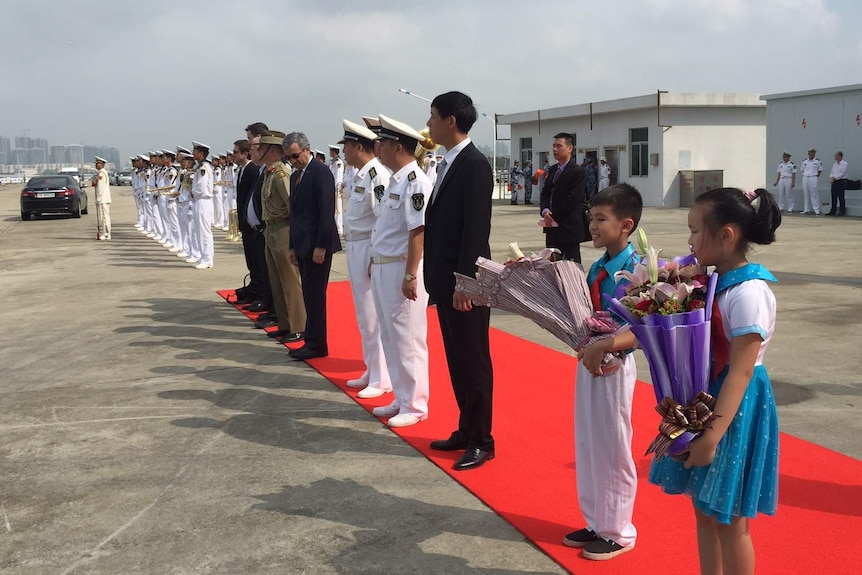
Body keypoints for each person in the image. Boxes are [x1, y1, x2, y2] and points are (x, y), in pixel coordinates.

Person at [650, 187, 781, 575]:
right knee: (703, 511)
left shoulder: (749, 292)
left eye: (695, 231)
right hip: (707, 396)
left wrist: (710, 437)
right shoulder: (713, 281)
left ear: (727, 235)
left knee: (729, 520)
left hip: (733, 409)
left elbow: (741, 370)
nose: (689, 240)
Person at [564, 183, 643, 560]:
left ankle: (619, 530)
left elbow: (644, 327)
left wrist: (607, 346)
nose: (592, 226)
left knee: (612, 445)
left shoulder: (638, 269)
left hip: (617, 363)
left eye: (600, 219)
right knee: (589, 441)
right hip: (589, 358)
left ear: (626, 225)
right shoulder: (598, 266)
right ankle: (596, 520)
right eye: (590, 219)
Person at [425, 91, 495, 469]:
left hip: (464, 284)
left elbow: (475, 230)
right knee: (457, 359)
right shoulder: (448, 162)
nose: (429, 123)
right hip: (446, 281)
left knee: (474, 360)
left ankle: (483, 439)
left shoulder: (474, 164)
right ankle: (466, 429)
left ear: (451, 120)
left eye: (433, 116)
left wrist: (465, 282)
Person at [366, 114, 431, 428]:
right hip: (383, 266)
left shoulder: (415, 181)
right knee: (391, 337)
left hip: (400, 270)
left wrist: (410, 274)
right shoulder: (395, 180)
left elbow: (417, 230)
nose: (378, 148)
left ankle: (416, 404)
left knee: (408, 338)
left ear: (399, 147)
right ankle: (402, 396)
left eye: (384, 143)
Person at [339, 119, 391, 399]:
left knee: (373, 315)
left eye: (346, 146)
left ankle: (382, 377)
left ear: (358, 146)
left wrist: (374, 255)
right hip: (356, 247)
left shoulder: (377, 176)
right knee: (364, 314)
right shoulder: (361, 175)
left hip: (368, 249)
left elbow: (382, 220)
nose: (344, 151)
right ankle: (372, 368)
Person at [283, 132, 342, 360]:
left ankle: (317, 345)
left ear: (307, 150)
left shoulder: (320, 172)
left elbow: (326, 213)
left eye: (296, 155)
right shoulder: (296, 175)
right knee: (308, 294)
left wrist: (321, 246)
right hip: (302, 245)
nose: (293, 161)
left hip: (317, 247)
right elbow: (295, 214)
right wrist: (292, 246)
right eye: (289, 157)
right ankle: (311, 339)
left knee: (315, 296)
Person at [258, 131, 306, 345]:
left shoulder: (280, 173)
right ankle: (285, 323)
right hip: (270, 229)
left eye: (261, 148)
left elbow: (291, 205)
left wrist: (295, 238)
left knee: (289, 280)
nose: (258, 152)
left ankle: (298, 325)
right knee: (276, 280)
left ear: (272, 150)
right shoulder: (270, 172)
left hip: (283, 229)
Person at [540, 133, 587, 263]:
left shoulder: (577, 172)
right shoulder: (553, 170)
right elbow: (545, 193)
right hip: (552, 228)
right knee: (552, 264)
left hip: (569, 228)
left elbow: (573, 199)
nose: (555, 149)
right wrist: (545, 211)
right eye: (554, 146)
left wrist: (553, 215)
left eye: (559, 146)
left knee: (571, 266)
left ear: (570, 148)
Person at [188, 141, 215, 269]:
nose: (193, 153)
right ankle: (204, 256)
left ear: (201, 153)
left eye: (195, 151)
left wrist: (192, 192)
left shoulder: (204, 168)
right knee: (199, 230)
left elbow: (201, 187)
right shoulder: (199, 167)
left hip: (203, 200)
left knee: (204, 231)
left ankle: (207, 258)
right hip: (199, 200)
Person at [93, 156, 112, 240]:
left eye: (97, 164)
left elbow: (101, 187)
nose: (96, 165)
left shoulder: (101, 173)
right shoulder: (102, 173)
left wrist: (98, 198)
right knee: (104, 216)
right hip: (104, 198)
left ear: (101, 164)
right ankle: (106, 233)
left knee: (104, 217)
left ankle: (106, 233)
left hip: (103, 198)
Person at [329, 144, 345, 235]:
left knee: (338, 208)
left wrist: (337, 187)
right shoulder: (331, 162)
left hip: (336, 188)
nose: (330, 153)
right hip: (332, 187)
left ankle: (339, 228)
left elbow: (338, 176)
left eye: (331, 151)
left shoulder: (339, 163)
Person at [800, 148, 822, 215]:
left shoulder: (817, 161)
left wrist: (815, 176)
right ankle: (806, 209)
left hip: (813, 177)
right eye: (810, 154)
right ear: (808, 154)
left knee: (814, 194)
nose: (811, 155)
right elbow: (802, 170)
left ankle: (816, 209)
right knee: (806, 194)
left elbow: (820, 170)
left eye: (813, 154)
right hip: (805, 177)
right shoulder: (804, 162)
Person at [828, 151, 848, 216]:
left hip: (841, 181)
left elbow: (842, 173)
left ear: (839, 156)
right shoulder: (834, 164)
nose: (835, 157)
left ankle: (842, 211)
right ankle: (833, 211)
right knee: (833, 197)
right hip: (834, 181)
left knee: (841, 197)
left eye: (836, 155)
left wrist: (835, 178)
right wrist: (832, 177)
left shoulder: (844, 164)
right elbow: (832, 172)